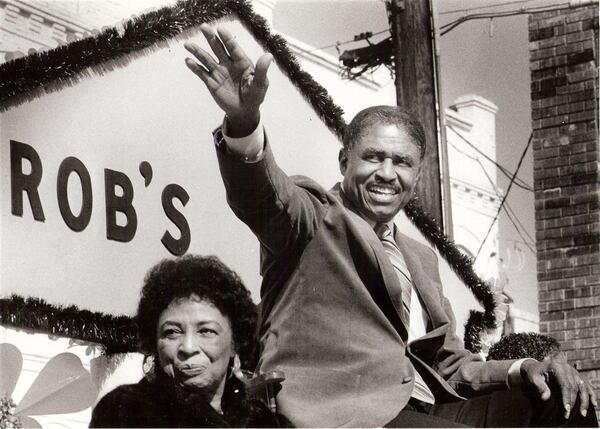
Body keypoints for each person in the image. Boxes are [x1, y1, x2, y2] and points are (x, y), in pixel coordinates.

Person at [183, 24, 598, 427]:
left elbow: (451, 365)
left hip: (428, 407)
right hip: (345, 414)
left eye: (400, 162)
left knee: (567, 405)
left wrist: (527, 367)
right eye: (373, 157)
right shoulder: (313, 218)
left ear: (416, 178)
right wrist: (244, 122)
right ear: (345, 161)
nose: (386, 172)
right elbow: (264, 196)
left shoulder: (420, 258)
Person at [89, 255, 288, 428]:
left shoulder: (263, 422)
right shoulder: (125, 413)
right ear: (155, 342)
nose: (188, 347)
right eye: (172, 333)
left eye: (206, 331)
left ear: (235, 342)